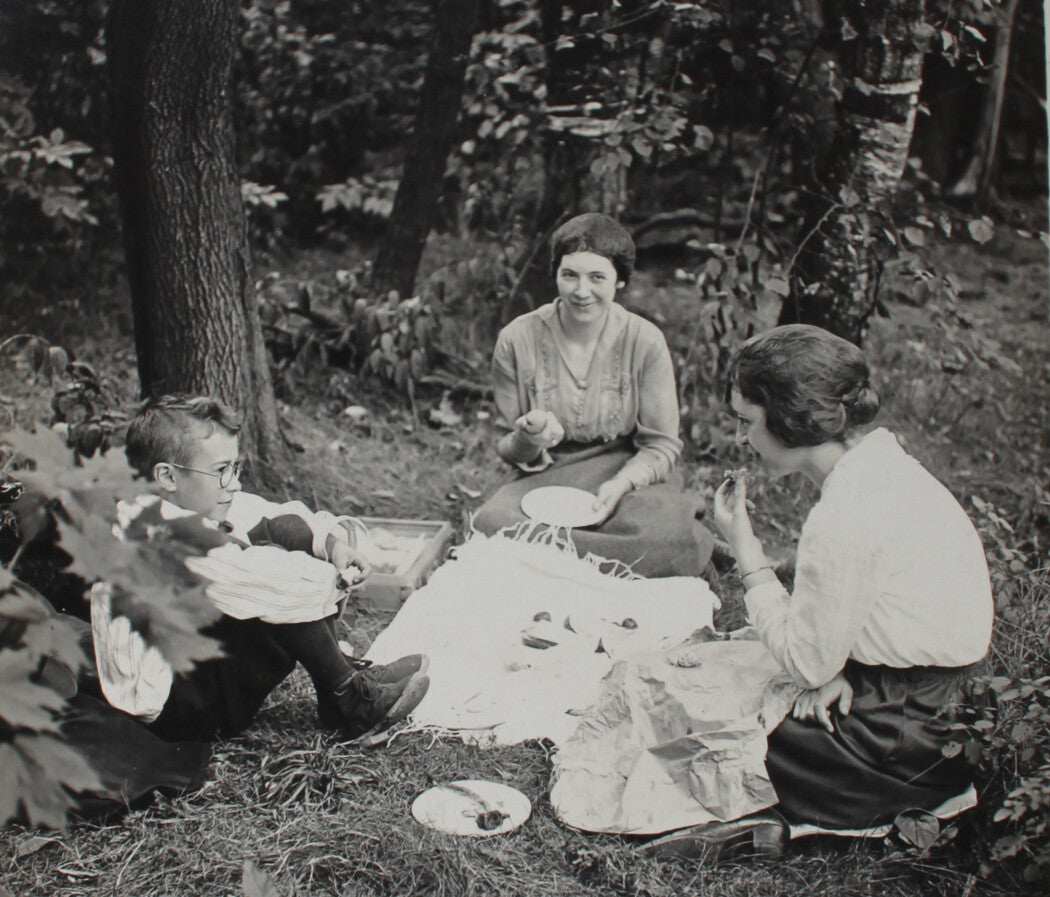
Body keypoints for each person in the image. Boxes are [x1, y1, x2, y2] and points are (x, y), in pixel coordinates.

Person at [655, 324, 993, 853]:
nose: (741, 438)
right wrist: (843, 669)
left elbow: (805, 661)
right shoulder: (880, 464)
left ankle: (798, 821)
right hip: (933, 697)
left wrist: (744, 547)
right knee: (736, 679)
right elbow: (855, 627)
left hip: (909, 726)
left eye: (747, 422)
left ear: (790, 421)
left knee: (707, 720)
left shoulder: (842, 518)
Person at [59, 394, 430, 815]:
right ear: (167, 476)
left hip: (187, 668)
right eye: (220, 471)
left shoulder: (172, 503)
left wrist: (331, 543)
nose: (233, 482)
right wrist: (334, 575)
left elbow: (273, 515)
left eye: (235, 467)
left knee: (280, 536)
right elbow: (277, 585)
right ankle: (348, 697)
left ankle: (339, 683)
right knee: (271, 583)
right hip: (172, 707)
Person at [473, 213, 713, 577]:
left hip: (626, 467)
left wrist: (621, 485)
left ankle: (556, 564)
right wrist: (528, 437)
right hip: (548, 474)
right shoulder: (517, 339)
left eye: (597, 277)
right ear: (555, 275)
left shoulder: (645, 341)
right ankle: (604, 564)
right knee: (491, 523)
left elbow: (661, 446)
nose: (581, 291)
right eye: (569, 275)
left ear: (620, 281)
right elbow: (506, 447)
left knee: (669, 537)